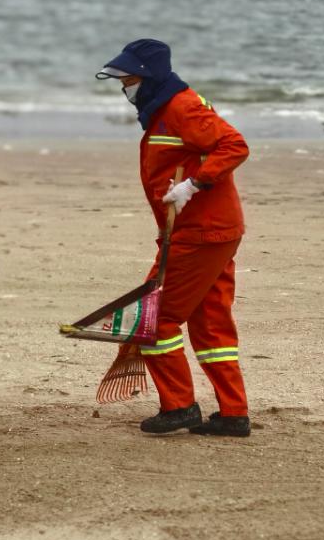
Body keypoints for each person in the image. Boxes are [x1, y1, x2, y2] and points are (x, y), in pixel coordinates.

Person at [96, 38, 252, 437]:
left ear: (148, 77)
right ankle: (233, 414)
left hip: (202, 232)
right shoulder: (165, 109)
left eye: (128, 78)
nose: (124, 86)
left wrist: (194, 185)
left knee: (157, 320)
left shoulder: (181, 107)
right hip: (211, 230)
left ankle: (179, 406)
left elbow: (234, 145)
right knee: (210, 322)